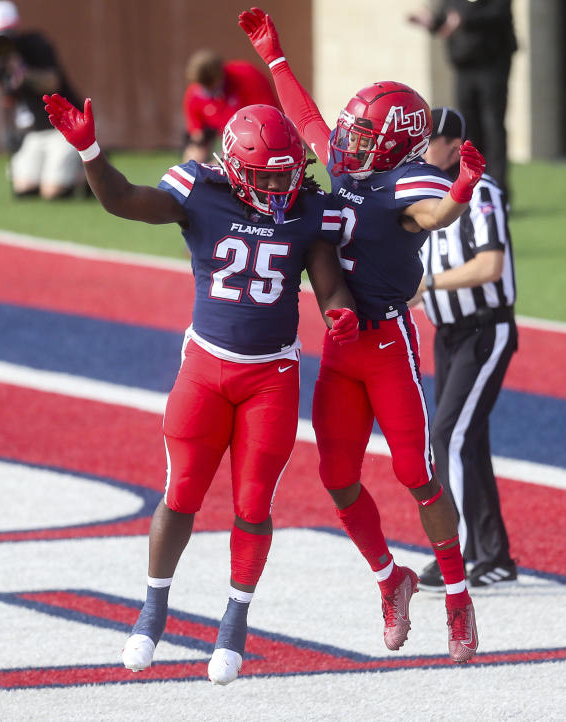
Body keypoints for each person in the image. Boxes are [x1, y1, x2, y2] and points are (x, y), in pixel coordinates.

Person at [43, 92, 359, 684]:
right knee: (181, 492)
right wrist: (88, 149)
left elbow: (328, 281)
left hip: (272, 375)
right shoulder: (200, 192)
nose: (278, 188)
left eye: (286, 175)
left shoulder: (310, 209)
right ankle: (153, 608)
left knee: (253, 504)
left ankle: (235, 621)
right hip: (206, 368)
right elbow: (121, 200)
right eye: (265, 176)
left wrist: (339, 312)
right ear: (235, 168)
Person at [239, 7, 486, 663]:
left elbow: (435, 214)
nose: (342, 142)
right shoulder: (345, 165)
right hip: (340, 349)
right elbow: (307, 120)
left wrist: (461, 190)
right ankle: (390, 579)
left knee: (417, 472)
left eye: (360, 134)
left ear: (395, 141)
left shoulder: (409, 179)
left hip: (386, 347)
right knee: (337, 475)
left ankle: (458, 597)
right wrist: (276, 58)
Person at [409, 107, 518, 591]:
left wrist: (428, 284)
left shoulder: (482, 192)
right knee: (467, 440)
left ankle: (460, 553)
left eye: (430, 141)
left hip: (484, 329)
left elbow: (490, 265)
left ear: (455, 145)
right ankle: (493, 555)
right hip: (449, 334)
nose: (422, 150)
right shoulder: (428, 195)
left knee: (447, 435)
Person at [0, 0, 84, 198]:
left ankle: (88, 171)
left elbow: (52, 82)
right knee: (24, 189)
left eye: (8, 34)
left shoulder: (35, 43)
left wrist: (23, 72)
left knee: (53, 192)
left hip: (64, 128)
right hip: (34, 134)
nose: (4, 42)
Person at [408, 0, 516, 200]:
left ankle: (497, 190)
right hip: (464, 67)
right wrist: (431, 22)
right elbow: (446, 21)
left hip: (492, 65)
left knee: (493, 127)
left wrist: (465, 19)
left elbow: (497, 14)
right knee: (467, 130)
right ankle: (470, 186)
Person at [182, 49, 280, 163]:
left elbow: (267, 119)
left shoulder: (247, 76)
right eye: (204, 87)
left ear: (221, 74)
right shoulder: (194, 93)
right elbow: (197, 136)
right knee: (193, 157)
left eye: (212, 86)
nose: (209, 91)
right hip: (224, 137)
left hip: (258, 134)